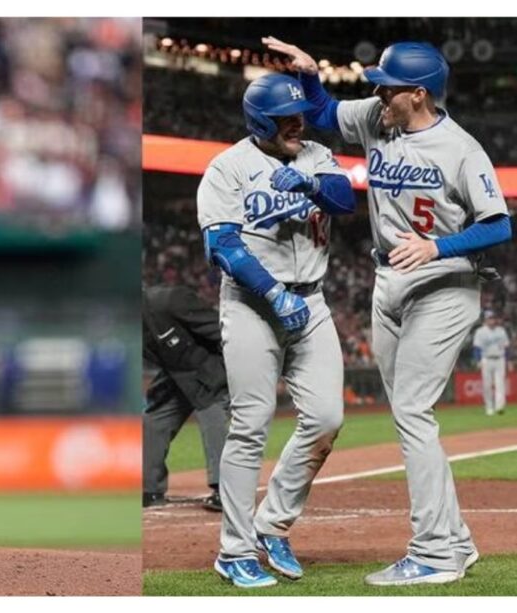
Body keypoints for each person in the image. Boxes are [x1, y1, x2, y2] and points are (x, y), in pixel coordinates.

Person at [264, 37, 512, 586]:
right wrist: (308, 76)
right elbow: (325, 113)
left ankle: (432, 553)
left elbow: (499, 223)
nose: (377, 92)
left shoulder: (462, 149)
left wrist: (437, 246)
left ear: (418, 94)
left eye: (388, 85)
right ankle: (457, 543)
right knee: (411, 414)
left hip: (443, 283)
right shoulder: (380, 117)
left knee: (414, 414)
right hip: (387, 280)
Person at [197, 73, 355, 588]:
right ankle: (234, 551)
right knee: (251, 424)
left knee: (327, 416)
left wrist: (311, 183)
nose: (297, 124)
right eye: (285, 118)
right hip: (251, 305)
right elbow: (224, 245)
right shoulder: (228, 168)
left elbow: (344, 199)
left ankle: (272, 524)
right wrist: (273, 293)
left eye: (299, 116)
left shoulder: (315, 155)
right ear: (259, 121)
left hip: (312, 300)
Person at [142, 283, 230, 513]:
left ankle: (227, 491)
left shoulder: (169, 299)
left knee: (213, 418)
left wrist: (232, 368)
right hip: (176, 375)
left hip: (208, 369)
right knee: (153, 420)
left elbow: (220, 329)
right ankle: (148, 489)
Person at [473, 310, 510, 415]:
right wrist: (478, 360)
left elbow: (506, 347)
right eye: (490, 318)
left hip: (500, 359)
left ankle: (499, 407)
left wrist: (507, 360)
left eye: (493, 318)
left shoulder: (501, 331)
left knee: (500, 384)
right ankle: (489, 407)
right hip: (486, 359)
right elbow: (477, 348)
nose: (492, 320)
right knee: (487, 385)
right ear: (485, 319)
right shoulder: (480, 331)